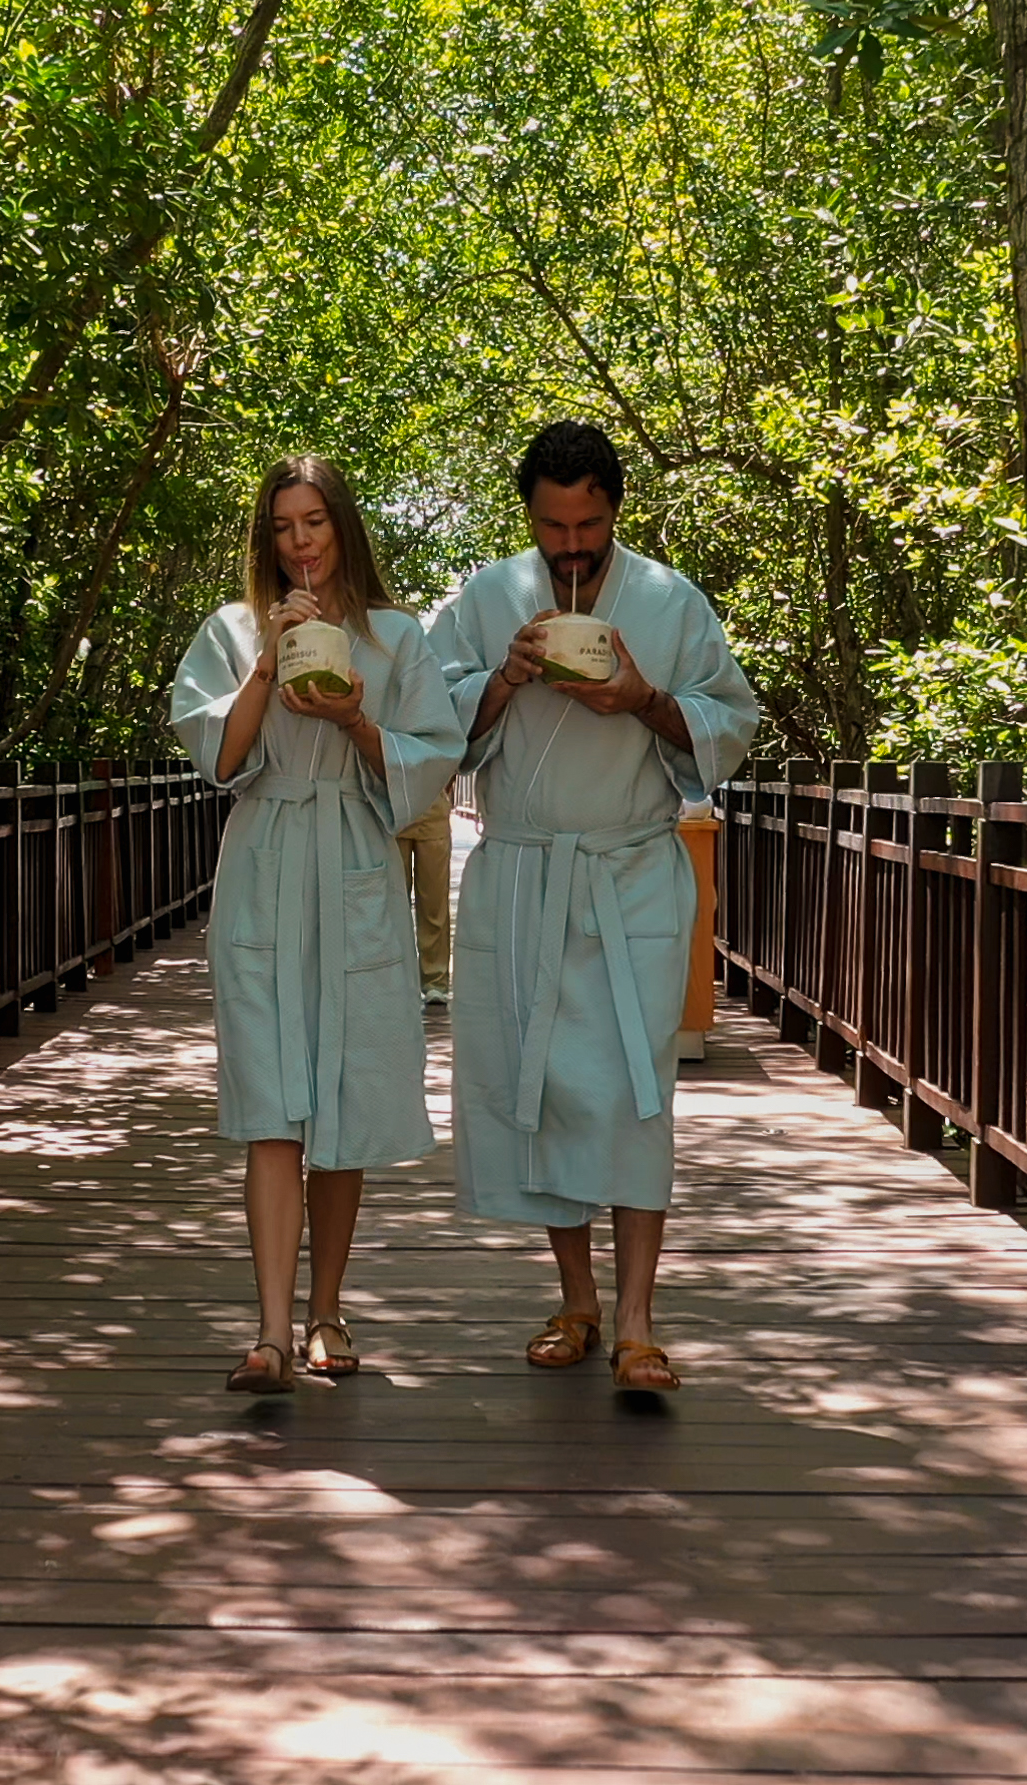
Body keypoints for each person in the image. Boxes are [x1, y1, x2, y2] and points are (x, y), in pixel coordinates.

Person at [430, 421, 760, 1393]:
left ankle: (640, 1321)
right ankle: (575, 1300)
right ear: (528, 514)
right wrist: (502, 681)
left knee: (629, 1091)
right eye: (553, 526)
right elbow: (425, 719)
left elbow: (729, 719)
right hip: (525, 875)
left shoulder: (667, 599)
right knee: (550, 1093)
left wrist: (644, 700)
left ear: (617, 509)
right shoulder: (487, 597)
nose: (571, 546)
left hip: (631, 876)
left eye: (590, 525)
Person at [169, 457, 463, 1395]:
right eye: (283, 527)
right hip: (263, 863)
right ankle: (268, 1333)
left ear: (344, 527)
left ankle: (327, 1311)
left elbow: (429, 772)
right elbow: (216, 755)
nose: (300, 542)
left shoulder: (394, 636)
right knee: (271, 1103)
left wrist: (354, 718)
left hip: (354, 862)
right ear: (267, 541)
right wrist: (267, 663)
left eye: (315, 523)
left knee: (342, 1097)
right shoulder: (229, 632)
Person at [394, 781, 455, 1005]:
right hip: (396, 812)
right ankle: (397, 975)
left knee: (434, 903)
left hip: (433, 811)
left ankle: (435, 981)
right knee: (395, 904)